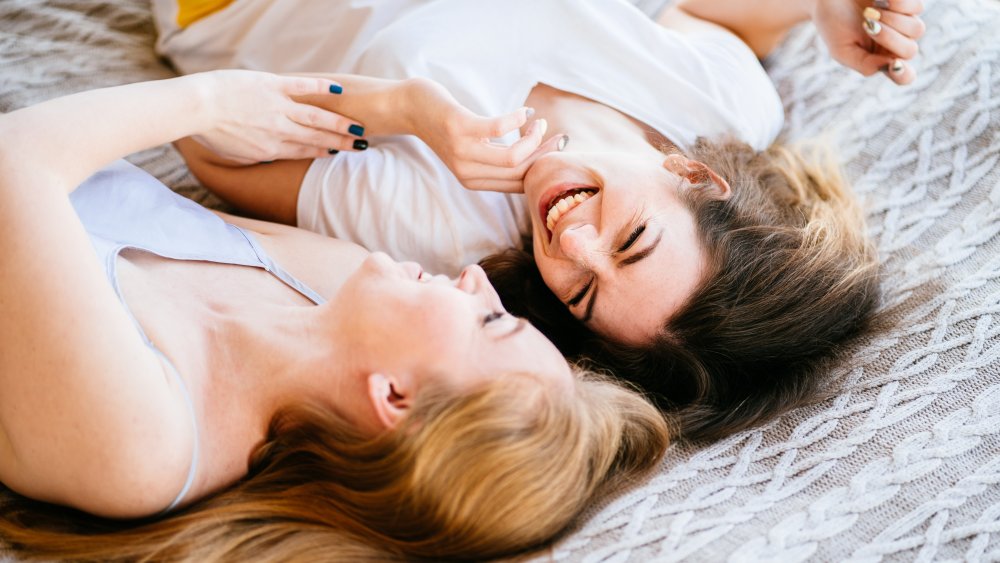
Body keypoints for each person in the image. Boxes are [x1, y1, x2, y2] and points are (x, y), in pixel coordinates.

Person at [153, 0, 923, 439]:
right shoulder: (727, 106)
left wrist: (407, 110)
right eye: (633, 239)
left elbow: (209, 145)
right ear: (691, 174)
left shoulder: (441, 222)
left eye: (581, 292)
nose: (572, 243)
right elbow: (709, 15)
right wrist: (818, 8)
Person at [0, 70, 669, 561]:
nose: (478, 281)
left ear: (395, 396)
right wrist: (414, 105)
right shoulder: (330, 286)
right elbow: (240, 131)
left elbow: (13, 162)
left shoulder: (141, 447)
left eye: (490, 322)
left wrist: (206, 98)